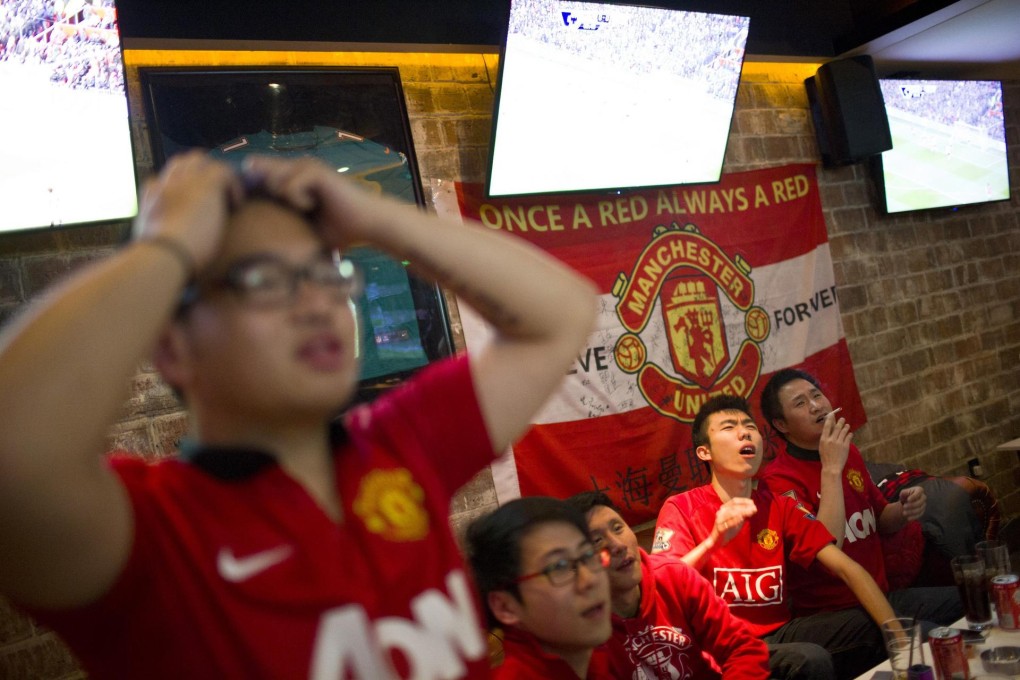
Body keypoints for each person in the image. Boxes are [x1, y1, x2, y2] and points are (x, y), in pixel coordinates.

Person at [0, 152, 598, 678]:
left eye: (324, 273)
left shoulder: (396, 444)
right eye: (264, 279)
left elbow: (561, 314)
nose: (316, 303)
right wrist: (169, 243)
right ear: (174, 348)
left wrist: (375, 219)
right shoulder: (151, 537)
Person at [652, 394, 898, 679]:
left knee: (874, 626)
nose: (744, 432)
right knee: (809, 659)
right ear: (704, 452)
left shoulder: (779, 505)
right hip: (719, 648)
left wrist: (898, 636)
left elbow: (846, 567)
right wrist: (713, 542)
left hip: (780, 634)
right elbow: (660, 585)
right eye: (729, 427)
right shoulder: (682, 507)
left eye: (749, 426)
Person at [757, 369, 963, 626]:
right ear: (781, 425)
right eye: (800, 403)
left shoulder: (848, 451)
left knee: (974, 598)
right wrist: (831, 469)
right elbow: (828, 547)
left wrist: (903, 508)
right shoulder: (778, 480)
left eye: (816, 395)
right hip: (836, 614)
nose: (815, 406)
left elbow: (881, 519)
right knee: (926, 635)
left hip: (882, 597)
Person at [565, 491, 770, 679]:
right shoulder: (577, 634)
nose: (618, 545)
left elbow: (742, 648)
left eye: (618, 528)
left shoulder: (674, 576)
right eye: (597, 541)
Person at [464, 496, 613, 679]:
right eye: (559, 566)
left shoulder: (594, 661)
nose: (590, 580)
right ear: (505, 607)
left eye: (588, 555)